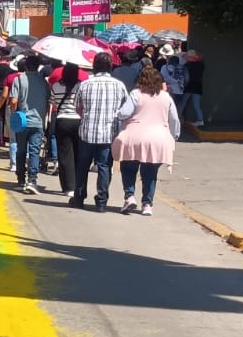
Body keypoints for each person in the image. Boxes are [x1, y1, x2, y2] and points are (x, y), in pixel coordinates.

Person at [113, 66, 181, 216]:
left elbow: (124, 113)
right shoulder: (165, 97)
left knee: (128, 167)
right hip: (158, 139)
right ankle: (147, 205)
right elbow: (174, 119)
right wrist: (174, 135)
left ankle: (129, 196)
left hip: (134, 137)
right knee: (150, 172)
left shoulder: (136, 94)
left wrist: (118, 114)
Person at [72, 53, 127, 211]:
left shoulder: (85, 84)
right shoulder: (119, 85)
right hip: (108, 133)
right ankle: (102, 201)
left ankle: (79, 198)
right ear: (110, 66)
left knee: (82, 166)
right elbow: (125, 110)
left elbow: (77, 107)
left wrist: (87, 116)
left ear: (94, 66)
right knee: (104, 167)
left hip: (87, 132)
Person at [9, 55, 50, 194]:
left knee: (21, 151)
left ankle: (21, 180)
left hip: (22, 121)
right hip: (38, 122)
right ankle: (32, 180)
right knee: (34, 152)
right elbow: (48, 101)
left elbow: (14, 101)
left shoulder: (18, 80)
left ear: (25, 65)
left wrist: (14, 114)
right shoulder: (44, 82)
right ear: (38, 66)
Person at [47, 62, 84, 194]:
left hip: (62, 120)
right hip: (78, 121)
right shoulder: (81, 86)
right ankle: (78, 184)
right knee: (78, 154)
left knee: (64, 155)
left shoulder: (56, 86)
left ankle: (68, 187)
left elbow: (52, 102)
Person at [182, 49, 205, 127]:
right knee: (197, 105)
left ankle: (179, 119)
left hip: (188, 86)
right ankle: (200, 120)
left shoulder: (187, 65)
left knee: (182, 104)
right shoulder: (201, 64)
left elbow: (185, 77)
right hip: (198, 86)